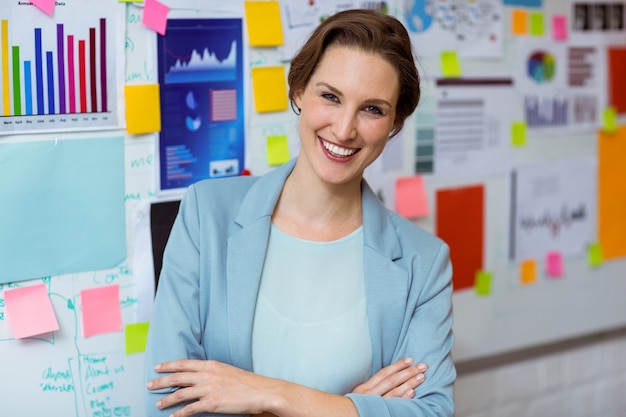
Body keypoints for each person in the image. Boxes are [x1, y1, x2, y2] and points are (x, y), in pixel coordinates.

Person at [144, 8, 455, 417]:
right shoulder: (207, 214)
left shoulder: (424, 262)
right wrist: (349, 408)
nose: (344, 130)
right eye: (330, 96)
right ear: (298, 91)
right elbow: (166, 402)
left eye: (373, 109)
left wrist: (269, 395)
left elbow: (433, 412)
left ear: (395, 122)